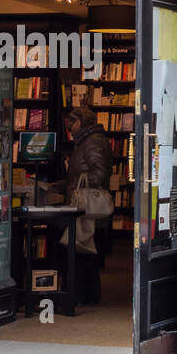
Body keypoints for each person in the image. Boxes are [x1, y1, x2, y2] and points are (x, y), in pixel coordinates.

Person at [53, 106, 113, 305]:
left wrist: (81, 189)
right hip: (81, 203)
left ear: (83, 121)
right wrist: (60, 185)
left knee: (80, 249)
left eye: (73, 122)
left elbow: (99, 172)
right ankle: (87, 295)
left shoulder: (92, 142)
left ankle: (79, 295)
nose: (69, 127)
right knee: (85, 251)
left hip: (86, 206)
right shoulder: (85, 141)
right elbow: (80, 175)